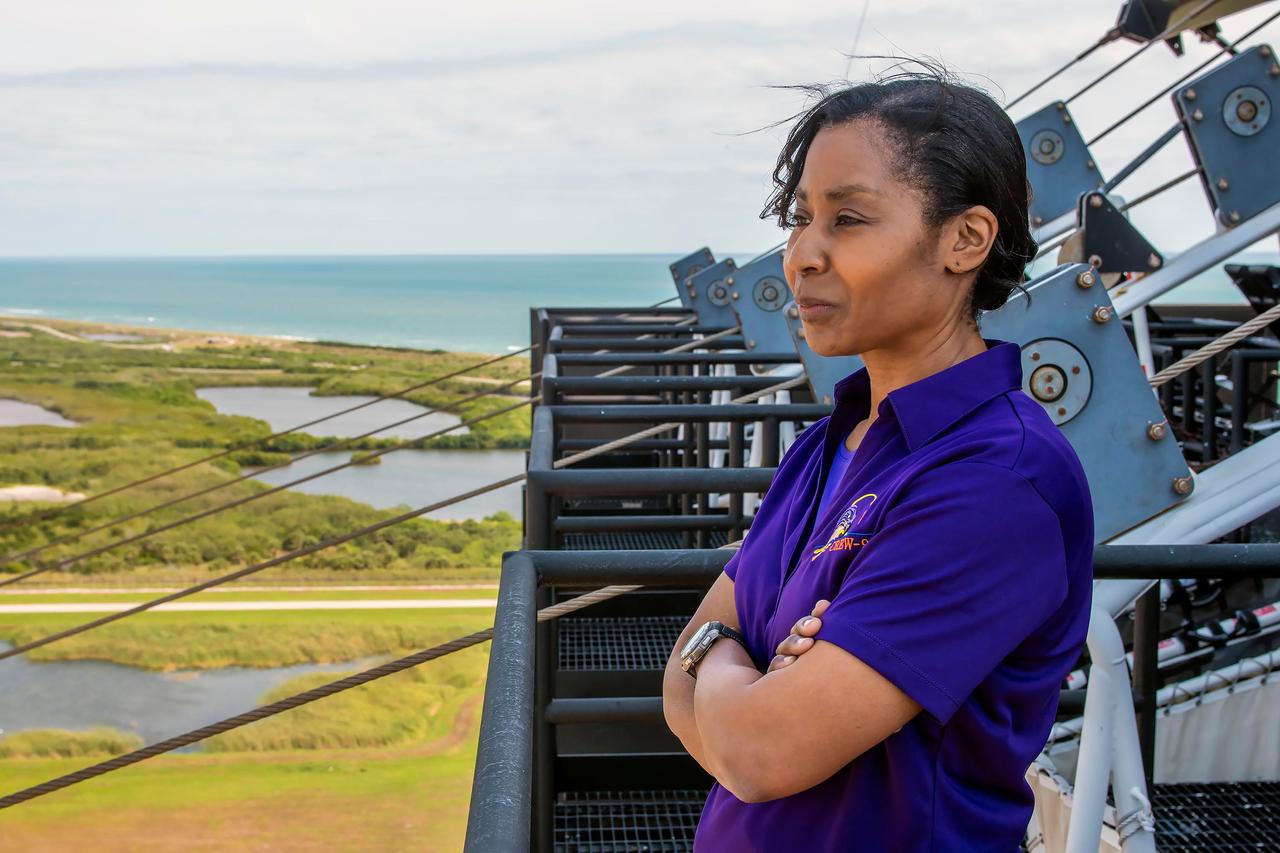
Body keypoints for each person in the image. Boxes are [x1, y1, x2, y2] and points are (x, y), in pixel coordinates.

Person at [661, 66, 1094, 851]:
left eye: (848, 219)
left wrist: (719, 662)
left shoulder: (998, 480)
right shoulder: (835, 438)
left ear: (966, 239)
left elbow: (759, 751)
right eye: (800, 219)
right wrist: (743, 668)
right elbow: (683, 693)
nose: (801, 257)